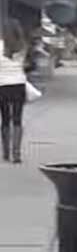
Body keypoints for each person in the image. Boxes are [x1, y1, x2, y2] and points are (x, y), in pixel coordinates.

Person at [0, 29, 29, 164]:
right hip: (18, 84)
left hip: (2, 85)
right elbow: (28, 65)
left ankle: (6, 152)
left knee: (5, 118)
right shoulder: (22, 47)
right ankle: (16, 154)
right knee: (17, 118)